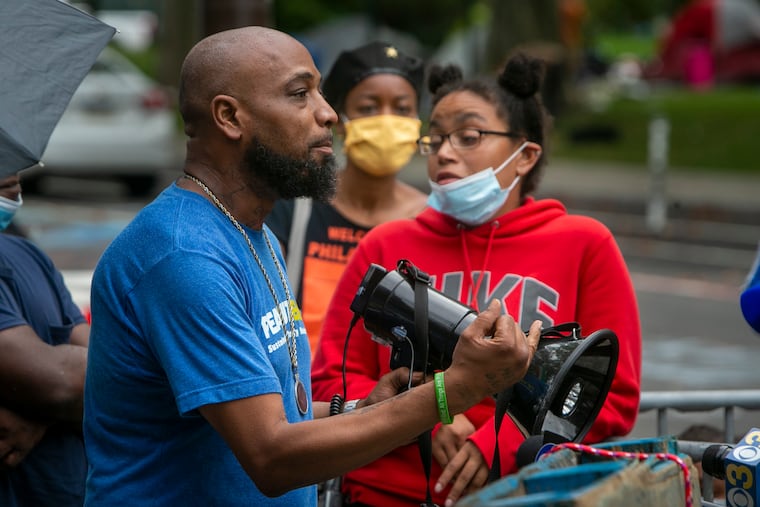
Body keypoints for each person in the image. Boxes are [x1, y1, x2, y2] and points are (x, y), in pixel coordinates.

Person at [82, 26, 543, 506]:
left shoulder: (250, 232)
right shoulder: (185, 256)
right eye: (300, 94)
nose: (328, 113)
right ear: (229, 117)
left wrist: (362, 410)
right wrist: (456, 391)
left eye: (320, 92)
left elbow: (273, 408)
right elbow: (271, 455)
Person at [311, 52, 642, 506]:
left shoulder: (586, 244)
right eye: (436, 139)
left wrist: (500, 443)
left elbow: (612, 394)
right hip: (383, 493)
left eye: (469, 136)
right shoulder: (385, 245)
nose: (445, 152)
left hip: (522, 494)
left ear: (525, 155)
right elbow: (333, 378)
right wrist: (426, 414)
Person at [266, 41, 428, 354]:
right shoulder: (295, 206)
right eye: (368, 108)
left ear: (416, 123)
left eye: (402, 108)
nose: (386, 120)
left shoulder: (432, 220)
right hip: (306, 391)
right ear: (338, 120)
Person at [0, 171, 90, 506]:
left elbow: (115, 373)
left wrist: (37, 413)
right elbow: (60, 383)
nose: (14, 175)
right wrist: (53, 394)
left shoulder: (29, 255)